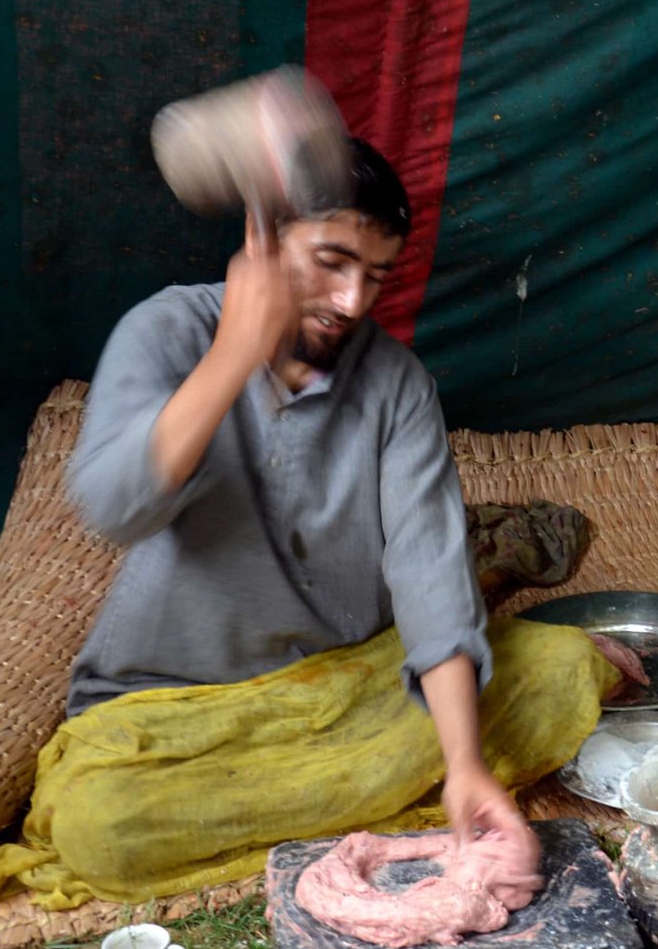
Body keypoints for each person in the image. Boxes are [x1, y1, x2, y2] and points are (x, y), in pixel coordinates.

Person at [63, 138, 533, 867]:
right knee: (99, 825)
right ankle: (366, 797)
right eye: (332, 262)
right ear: (263, 240)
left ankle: (410, 781)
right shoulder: (165, 331)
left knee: (553, 667)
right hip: (175, 705)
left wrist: (467, 763)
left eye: (374, 277)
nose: (352, 302)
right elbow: (115, 510)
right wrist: (232, 354)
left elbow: (429, 569)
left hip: (348, 683)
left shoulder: (397, 383)